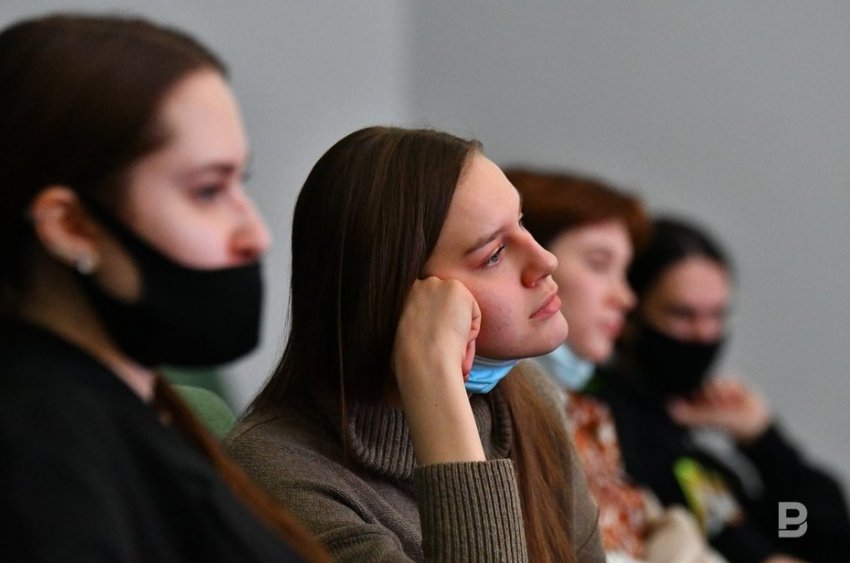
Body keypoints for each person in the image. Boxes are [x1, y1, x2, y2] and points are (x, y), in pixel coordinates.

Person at [0, 13, 329, 562]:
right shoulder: (39, 453)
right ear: (70, 225)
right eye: (207, 191)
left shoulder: (141, 409)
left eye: (240, 182)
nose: (256, 234)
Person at [225, 126, 606, 562]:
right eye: (494, 255)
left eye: (521, 222)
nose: (545, 260)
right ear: (397, 302)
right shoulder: (280, 475)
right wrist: (433, 378)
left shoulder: (525, 396)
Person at [592, 216, 850, 563]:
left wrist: (764, 442)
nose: (704, 334)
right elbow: (726, 536)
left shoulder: (693, 445)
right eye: (682, 314)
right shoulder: (603, 423)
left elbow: (815, 533)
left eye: (717, 315)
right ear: (630, 312)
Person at [508, 169, 723, 563]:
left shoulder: (590, 413)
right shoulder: (495, 417)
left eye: (623, 272)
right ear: (524, 264)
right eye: (598, 264)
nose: (625, 298)